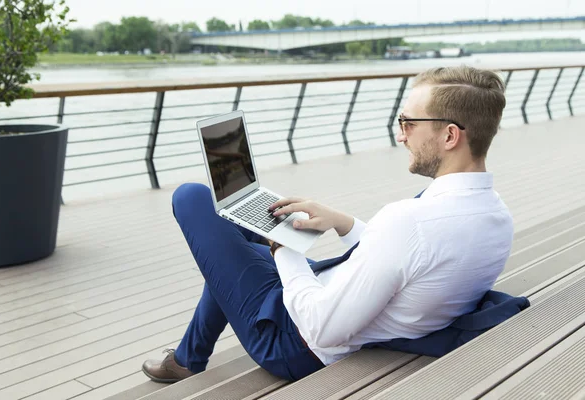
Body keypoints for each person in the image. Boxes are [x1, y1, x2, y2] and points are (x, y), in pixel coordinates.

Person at [142, 65, 513, 383]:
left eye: (409, 123)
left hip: (293, 341)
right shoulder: (495, 216)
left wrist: (283, 247)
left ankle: (189, 359)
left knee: (192, 198)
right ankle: (189, 358)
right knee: (236, 237)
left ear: (450, 135)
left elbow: (321, 327)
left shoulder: (409, 222)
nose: (400, 135)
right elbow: (412, 262)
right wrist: (344, 223)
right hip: (331, 297)